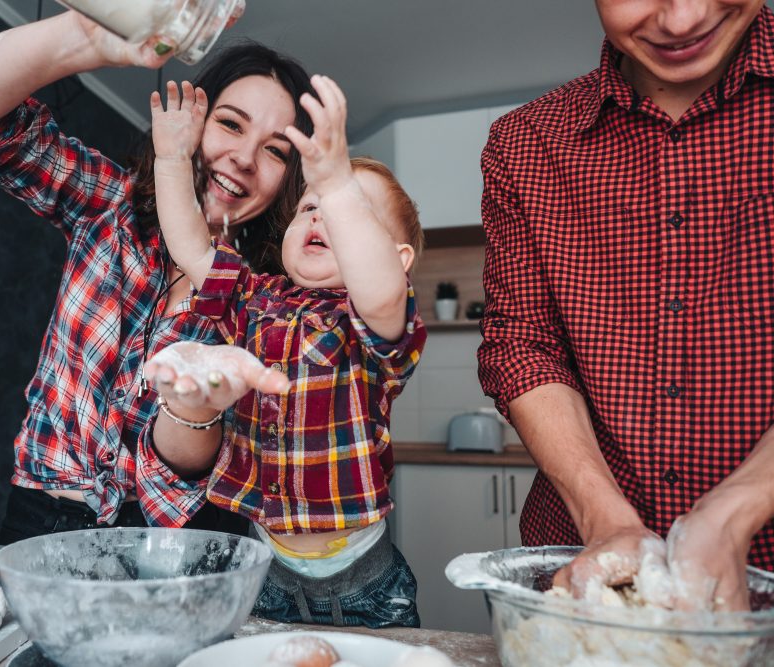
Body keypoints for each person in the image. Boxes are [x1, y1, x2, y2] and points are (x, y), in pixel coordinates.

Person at [0, 10, 315, 544]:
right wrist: (86, 38)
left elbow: (192, 467)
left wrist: (192, 407)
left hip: (187, 541)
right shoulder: (113, 204)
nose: (245, 158)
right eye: (230, 123)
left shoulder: (274, 303)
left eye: (276, 151)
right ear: (191, 118)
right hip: (43, 523)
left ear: (289, 180)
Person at [477, 0, 774, 612]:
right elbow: (522, 345)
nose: (683, 18)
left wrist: (734, 510)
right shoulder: (523, 142)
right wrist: (606, 521)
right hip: (583, 572)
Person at [142, 74, 427, 628]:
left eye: (348, 210)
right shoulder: (256, 297)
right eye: (309, 205)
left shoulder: (372, 321)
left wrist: (337, 180)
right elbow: (193, 248)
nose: (320, 214)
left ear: (398, 259)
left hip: (365, 579)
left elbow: (382, 290)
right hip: (265, 565)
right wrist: (172, 161)